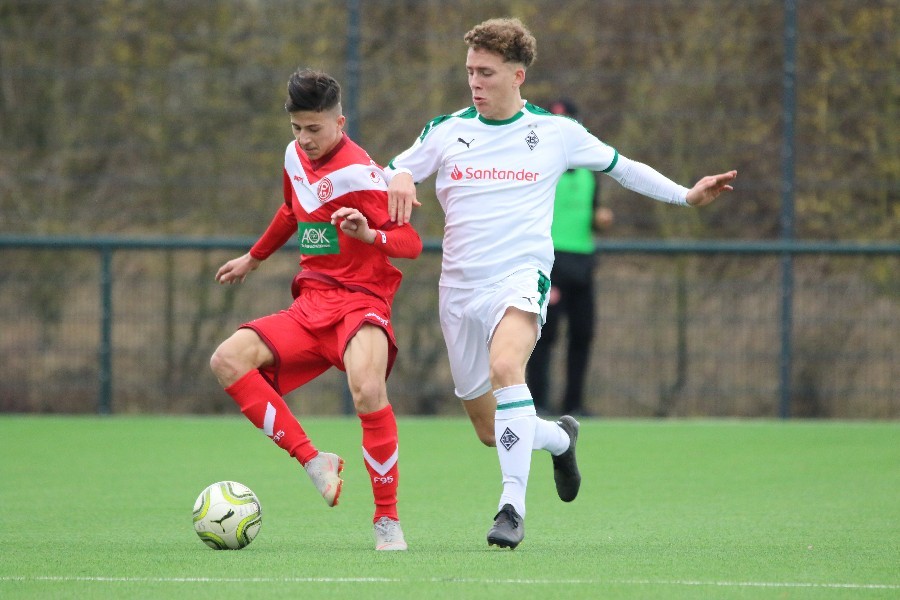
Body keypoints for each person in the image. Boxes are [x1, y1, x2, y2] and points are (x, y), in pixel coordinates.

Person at [385, 18, 736, 549]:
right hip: (458, 292)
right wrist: (400, 174)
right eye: (470, 72)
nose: (475, 82)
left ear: (518, 75)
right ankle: (557, 438)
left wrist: (685, 195)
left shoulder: (555, 134)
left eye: (487, 72)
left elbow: (623, 167)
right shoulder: (446, 130)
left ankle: (511, 509)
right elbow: (392, 171)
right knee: (489, 430)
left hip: (520, 278)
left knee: (508, 367)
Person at [209, 68, 422, 552]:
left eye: (315, 129)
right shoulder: (294, 156)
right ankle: (312, 460)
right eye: (296, 129)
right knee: (226, 359)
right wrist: (253, 257)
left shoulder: (364, 174)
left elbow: (411, 242)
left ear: (340, 122)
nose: (304, 140)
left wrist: (369, 233)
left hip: (361, 302)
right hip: (311, 304)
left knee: (368, 389)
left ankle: (386, 520)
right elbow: (291, 211)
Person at [526, 99, 614, 417]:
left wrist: (600, 218)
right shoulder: (538, 169)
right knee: (543, 334)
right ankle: (537, 402)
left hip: (583, 263)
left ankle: (573, 403)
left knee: (583, 333)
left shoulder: (591, 171)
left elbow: (592, 215)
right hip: (551, 262)